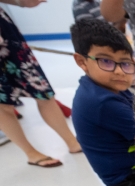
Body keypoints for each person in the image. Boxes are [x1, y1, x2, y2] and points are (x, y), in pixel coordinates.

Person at [0, 0, 82, 168]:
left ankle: (73, 142)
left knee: (43, 91)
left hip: (6, 36)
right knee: (3, 103)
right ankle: (31, 153)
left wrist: (21, 2)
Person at [70, 19, 135, 186]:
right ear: (82, 61)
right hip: (130, 181)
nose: (119, 71)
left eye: (125, 63)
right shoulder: (102, 102)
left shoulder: (106, 88)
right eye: (106, 61)